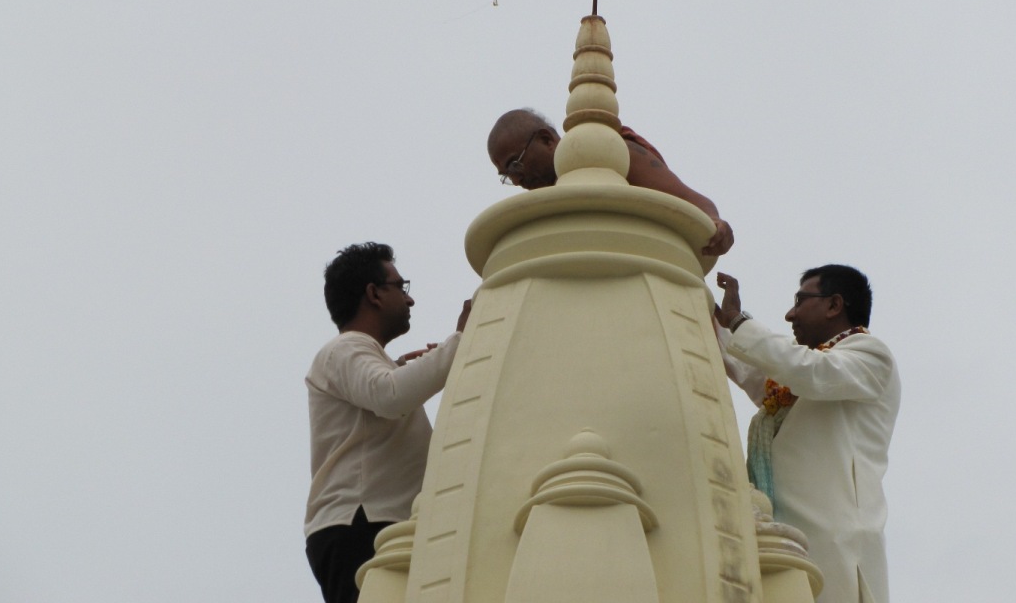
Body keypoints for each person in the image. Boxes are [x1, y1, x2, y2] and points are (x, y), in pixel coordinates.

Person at [714, 266, 900, 603]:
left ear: (834, 305)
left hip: (835, 546)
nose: (790, 314)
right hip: (787, 542)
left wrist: (740, 323)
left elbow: (806, 371)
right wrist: (713, 317)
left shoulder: (871, 357)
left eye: (800, 301)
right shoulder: (804, 378)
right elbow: (760, 372)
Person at [304, 242, 471, 603]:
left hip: (369, 524)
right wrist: (460, 342)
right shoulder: (346, 348)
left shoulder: (360, 354)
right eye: (401, 286)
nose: (409, 300)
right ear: (374, 294)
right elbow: (391, 396)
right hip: (361, 523)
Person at [487, 108, 734, 255]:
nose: (517, 180)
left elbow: (693, 202)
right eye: (507, 176)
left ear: (547, 140)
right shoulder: (547, 206)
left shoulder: (613, 155)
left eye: (515, 164)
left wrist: (715, 224)